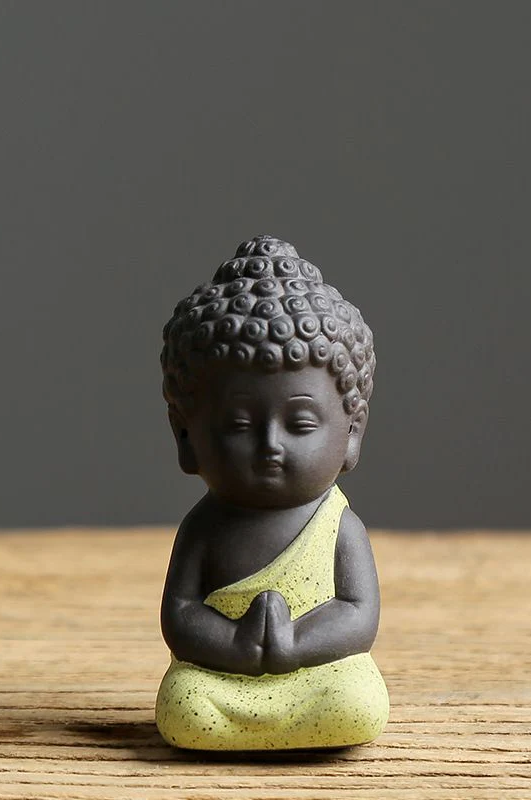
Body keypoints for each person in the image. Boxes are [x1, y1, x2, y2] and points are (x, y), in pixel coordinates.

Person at [156, 235, 389, 750]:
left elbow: (357, 614)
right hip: (222, 676)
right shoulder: (205, 527)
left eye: (300, 423)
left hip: (317, 673)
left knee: (357, 701)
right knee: (185, 703)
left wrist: (296, 643)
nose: (270, 445)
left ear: (352, 433)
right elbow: (181, 614)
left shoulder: (338, 526)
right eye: (239, 425)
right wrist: (235, 644)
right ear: (186, 436)